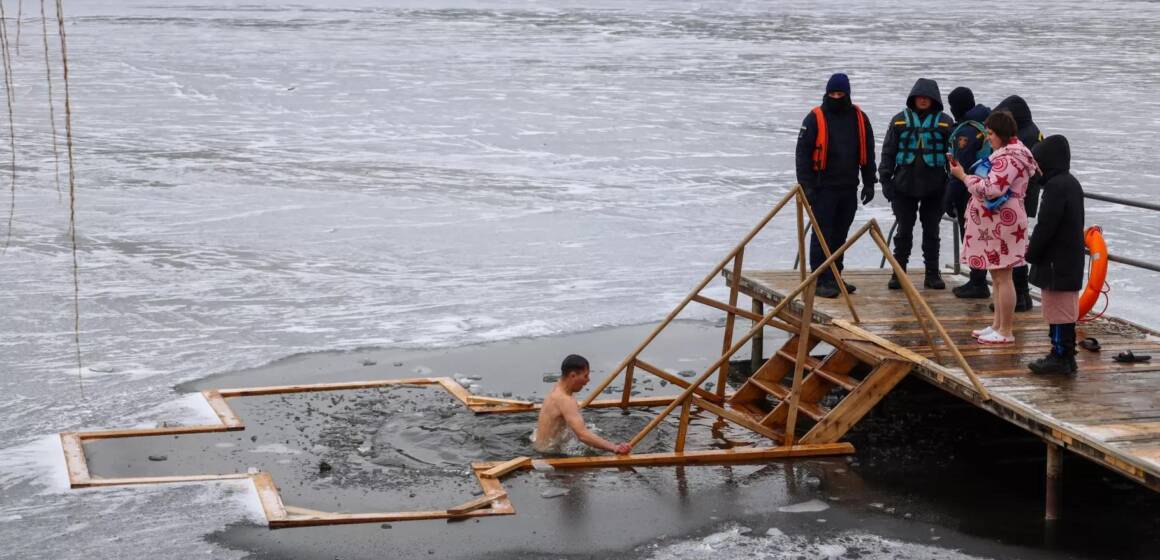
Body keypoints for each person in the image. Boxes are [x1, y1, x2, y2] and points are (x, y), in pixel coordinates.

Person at [949, 111, 1038, 345]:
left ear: (1001, 134)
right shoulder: (1010, 154)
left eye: (990, 134)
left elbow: (992, 189)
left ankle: (1006, 329)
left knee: (1004, 276)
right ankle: (998, 324)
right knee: (997, 275)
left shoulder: (1009, 158)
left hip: (1004, 222)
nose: (987, 138)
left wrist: (964, 177)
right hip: (999, 222)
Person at [795, 73, 877, 298]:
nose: (836, 97)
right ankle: (820, 279)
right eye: (833, 93)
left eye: (840, 94)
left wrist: (869, 182)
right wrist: (807, 187)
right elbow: (802, 155)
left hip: (849, 186)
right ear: (826, 93)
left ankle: (835, 276)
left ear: (848, 94)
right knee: (822, 234)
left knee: (840, 234)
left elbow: (868, 152)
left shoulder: (859, 118)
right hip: (823, 188)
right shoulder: (814, 118)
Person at [880, 78, 954, 291]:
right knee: (904, 231)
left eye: (927, 97)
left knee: (932, 232)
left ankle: (932, 274)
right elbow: (888, 152)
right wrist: (885, 180)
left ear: (934, 100)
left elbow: (954, 157)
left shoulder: (946, 123)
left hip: (936, 187)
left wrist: (952, 187)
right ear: (913, 98)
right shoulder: (899, 121)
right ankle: (898, 274)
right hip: (903, 186)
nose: (923, 100)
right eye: (919, 97)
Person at [1026, 135, 1085, 374]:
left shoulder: (1055, 186)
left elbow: (1046, 225)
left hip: (1056, 260)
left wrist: (1033, 252)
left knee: (1059, 310)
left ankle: (1061, 355)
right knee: (1063, 309)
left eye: (1038, 163)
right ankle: (1064, 354)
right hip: (1068, 257)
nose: (1036, 169)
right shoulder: (1070, 183)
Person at [994, 95, 1045, 312]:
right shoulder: (1033, 132)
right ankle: (1022, 295)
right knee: (1017, 249)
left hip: (1018, 198)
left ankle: (1021, 295)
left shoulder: (1023, 137)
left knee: (1013, 251)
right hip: (1026, 196)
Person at [944, 86, 993, 299]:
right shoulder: (985, 124)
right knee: (983, 236)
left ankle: (977, 282)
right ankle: (978, 279)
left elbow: (959, 168)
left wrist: (948, 198)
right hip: (988, 189)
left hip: (970, 191)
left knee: (972, 236)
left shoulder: (966, 132)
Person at [533, 354, 632, 455]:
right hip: (550, 455)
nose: (588, 380)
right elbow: (582, 435)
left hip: (541, 447)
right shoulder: (565, 400)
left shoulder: (557, 388)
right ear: (573, 376)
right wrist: (614, 447)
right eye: (585, 376)